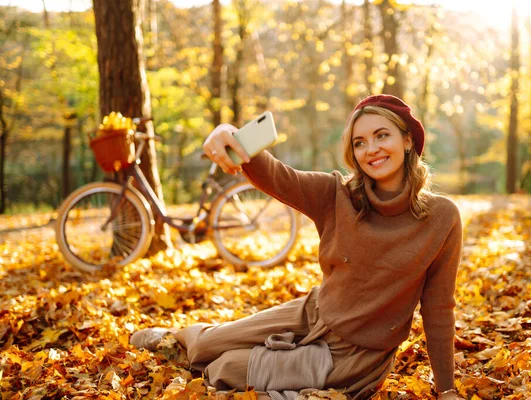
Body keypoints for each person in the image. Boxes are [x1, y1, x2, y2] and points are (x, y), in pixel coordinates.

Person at [130, 94, 464, 400]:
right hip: (313, 312)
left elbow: (438, 309)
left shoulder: (441, 217)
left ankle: (238, 362)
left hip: (356, 355)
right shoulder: (337, 195)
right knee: (207, 344)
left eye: (382, 135)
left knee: (226, 370)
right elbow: (277, 175)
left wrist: (447, 388)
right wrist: (226, 130)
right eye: (359, 142)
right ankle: (179, 341)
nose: (371, 149)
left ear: (408, 140)